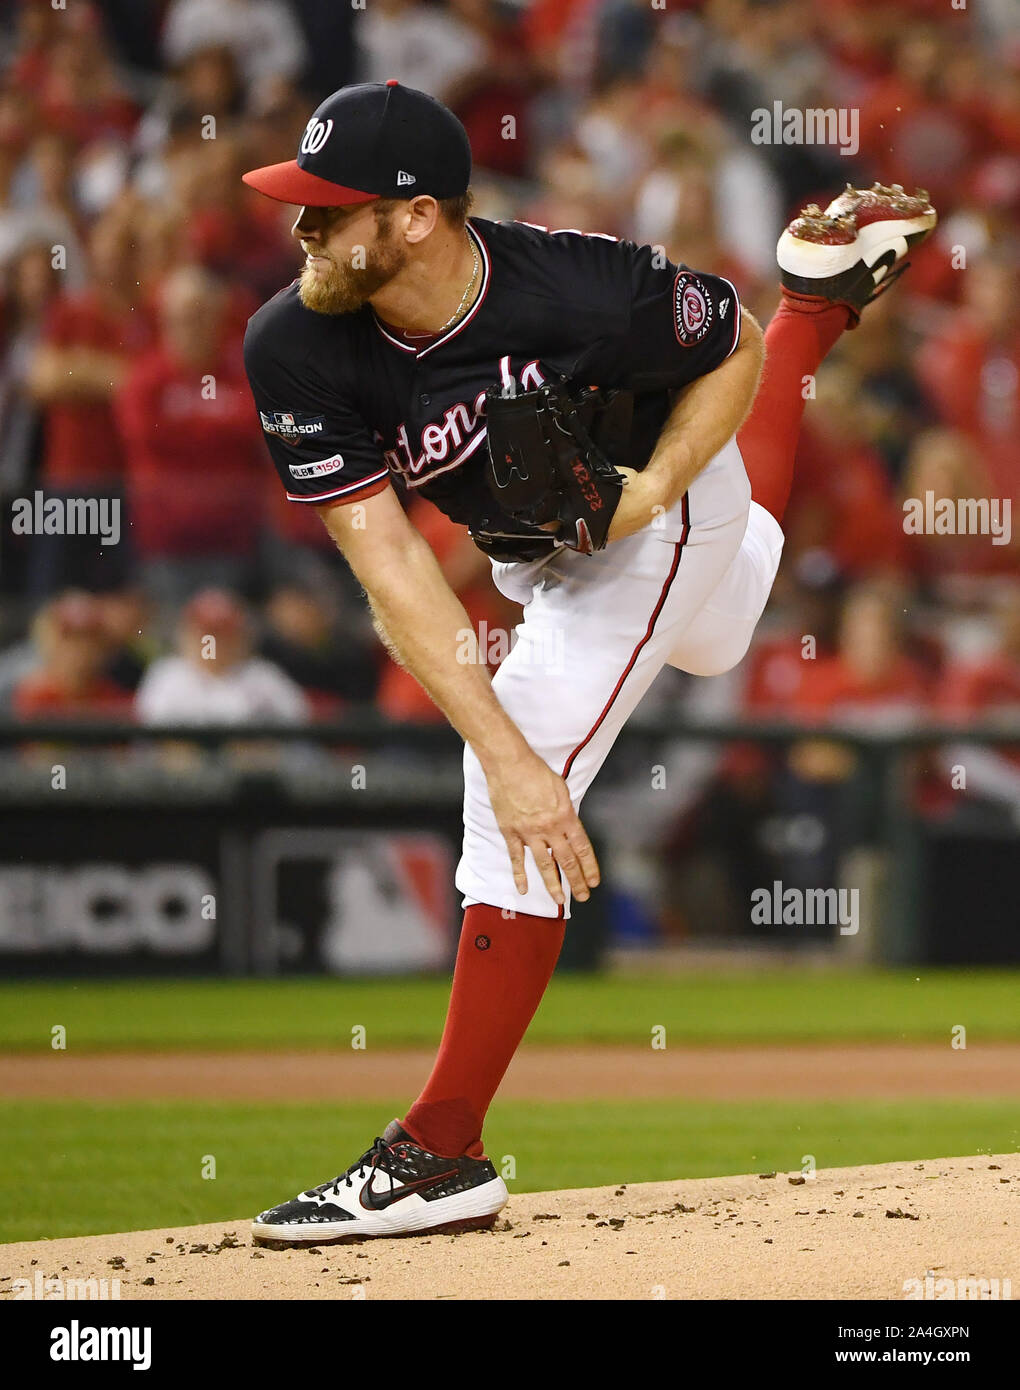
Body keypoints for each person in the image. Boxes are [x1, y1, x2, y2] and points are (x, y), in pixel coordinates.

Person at [240, 80, 936, 1244]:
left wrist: (658, 489)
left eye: (328, 210)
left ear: (414, 216)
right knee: (720, 631)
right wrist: (504, 747)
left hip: (657, 516)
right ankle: (823, 295)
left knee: (514, 777)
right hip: (551, 557)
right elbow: (395, 571)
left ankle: (442, 1150)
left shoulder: (574, 283)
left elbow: (729, 343)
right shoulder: (295, 344)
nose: (300, 230)